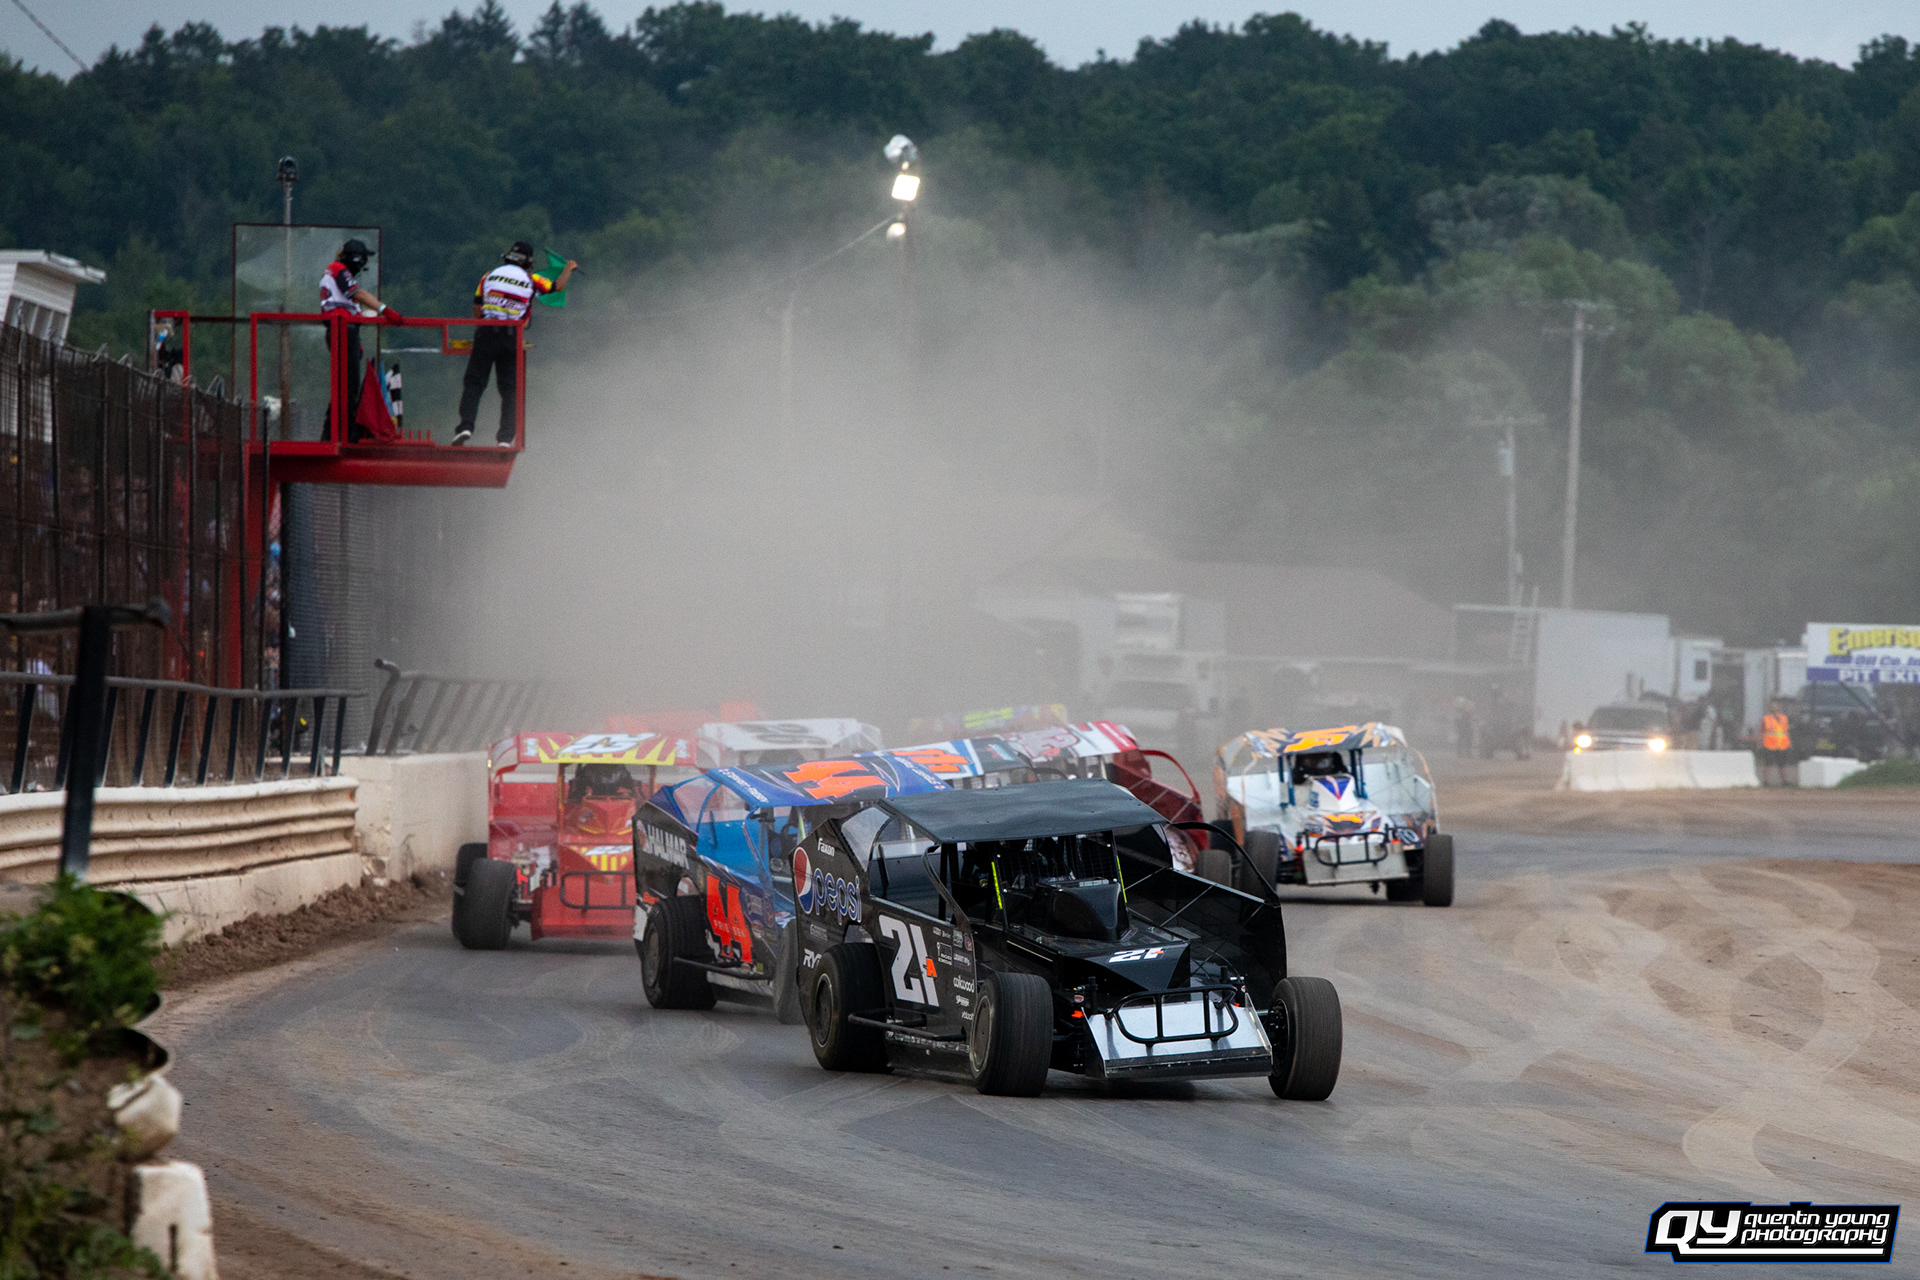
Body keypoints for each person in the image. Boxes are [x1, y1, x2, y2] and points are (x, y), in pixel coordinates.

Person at [453, 241, 577, 446]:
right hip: (512, 337)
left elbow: (477, 306)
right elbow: (558, 286)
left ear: (508, 257)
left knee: (474, 384)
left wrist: (481, 330)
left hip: (486, 333)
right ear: (528, 262)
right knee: (510, 390)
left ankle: (465, 427)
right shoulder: (531, 279)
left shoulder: (489, 275)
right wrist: (568, 269)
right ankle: (505, 438)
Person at [319, 239, 399, 441]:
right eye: (362, 261)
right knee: (348, 387)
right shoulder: (338, 269)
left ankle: (334, 433)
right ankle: (342, 434)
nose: (363, 266)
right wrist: (385, 310)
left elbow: (350, 302)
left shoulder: (333, 273)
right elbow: (359, 294)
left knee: (345, 385)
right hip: (343, 330)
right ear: (356, 260)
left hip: (344, 330)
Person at [1760, 699, 1793, 787]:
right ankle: (1765, 781)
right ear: (1769, 708)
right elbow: (1762, 731)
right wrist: (1760, 742)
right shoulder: (1766, 719)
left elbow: (1786, 731)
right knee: (1768, 763)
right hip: (1770, 744)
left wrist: (1789, 742)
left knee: (1782, 764)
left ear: (1779, 707)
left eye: (1776, 706)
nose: (1774, 708)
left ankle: (1784, 781)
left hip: (1782, 744)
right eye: (1772, 706)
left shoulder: (1784, 718)